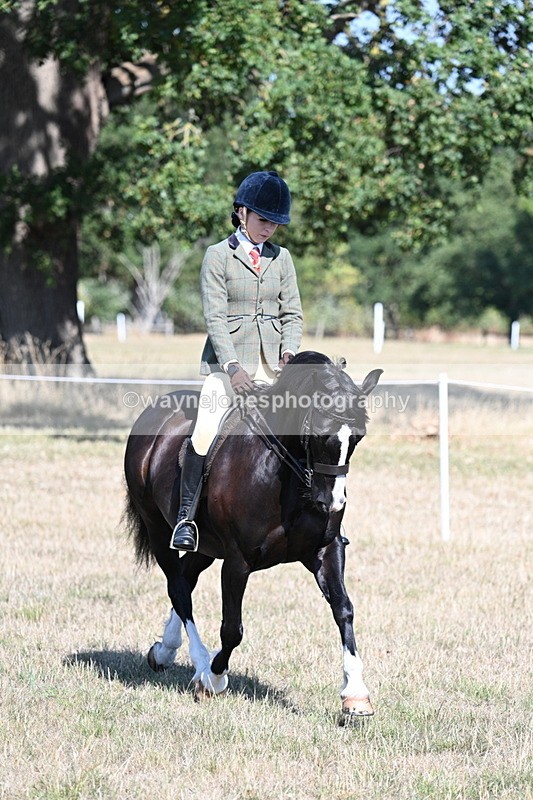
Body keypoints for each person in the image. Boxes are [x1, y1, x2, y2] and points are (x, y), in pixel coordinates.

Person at [170, 170, 303, 552]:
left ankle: (313, 516)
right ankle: (186, 519)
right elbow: (214, 317)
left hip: (273, 364)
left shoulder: (283, 258)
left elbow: (292, 312)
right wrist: (231, 368)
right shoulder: (217, 256)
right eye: (263, 220)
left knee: (306, 428)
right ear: (242, 213)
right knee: (205, 428)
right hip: (226, 366)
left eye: (275, 224)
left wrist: (289, 351)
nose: (269, 230)